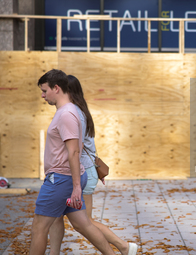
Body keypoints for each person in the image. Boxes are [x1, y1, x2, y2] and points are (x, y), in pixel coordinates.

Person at [48, 75, 138, 255]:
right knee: (56, 218)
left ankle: (123, 246)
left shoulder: (74, 114)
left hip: (81, 171)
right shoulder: (79, 111)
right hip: (82, 171)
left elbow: (75, 148)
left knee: (84, 222)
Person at [30, 69, 116, 255]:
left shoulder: (67, 114)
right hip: (65, 178)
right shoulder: (68, 111)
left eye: (45, 91)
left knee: (39, 227)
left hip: (61, 178)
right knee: (83, 224)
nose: (43, 96)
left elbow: (74, 151)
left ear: (57, 88)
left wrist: (76, 186)